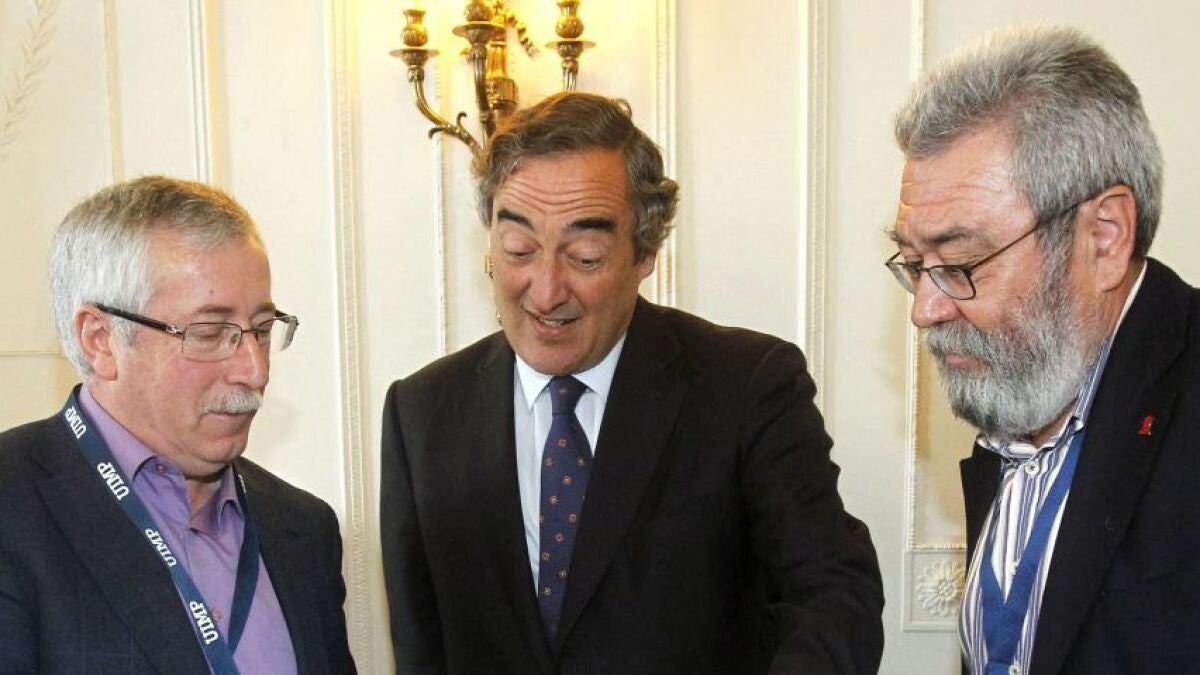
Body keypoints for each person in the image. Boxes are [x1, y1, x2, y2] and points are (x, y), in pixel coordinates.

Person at [381, 92, 883, 674]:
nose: (546, 291)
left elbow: (833, 595)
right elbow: (420, 645)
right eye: (519, 250)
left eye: (585, 257)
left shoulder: (747, 386)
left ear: (645, 253)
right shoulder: (421, 413)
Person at [886, 25, 1198, 674]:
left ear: (1105, 236)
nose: (924, 309)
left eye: (962, 263)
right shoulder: (1028, 385)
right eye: (916, 265)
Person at [0, 177, 356, 673]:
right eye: (209, 333)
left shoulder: (304, 529)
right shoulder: (13, 508)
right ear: (100, 340)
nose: (254, 370)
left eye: (261, 330)